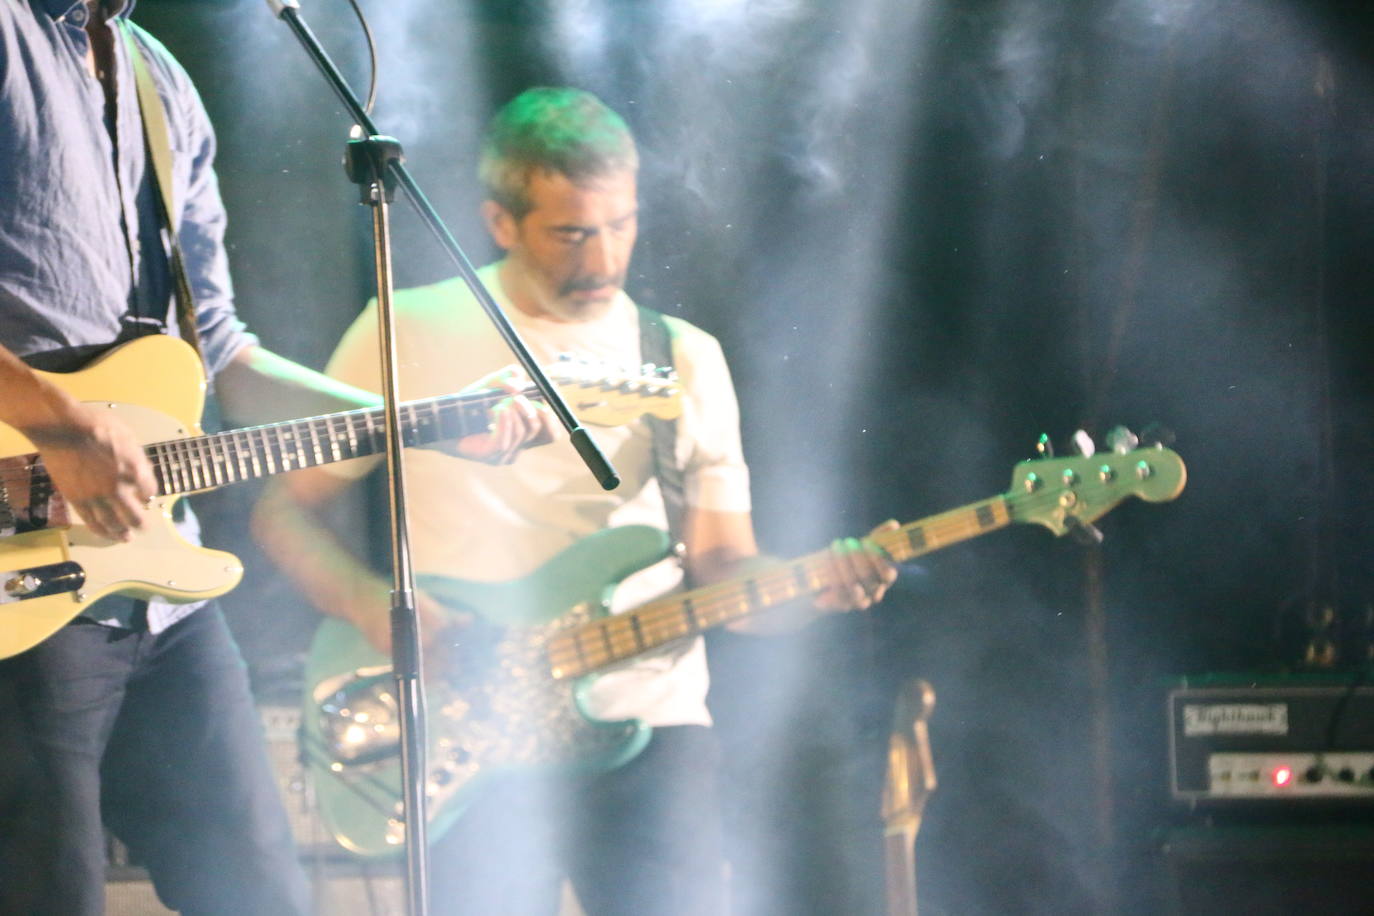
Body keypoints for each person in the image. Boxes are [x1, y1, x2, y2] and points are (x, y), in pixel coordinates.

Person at [252, 86, 898, 915]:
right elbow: (283, 509)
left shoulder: (683, 357)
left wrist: (813, 588)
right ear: (500, 222)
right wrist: (376, 609)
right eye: (570, 233)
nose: (602, 260)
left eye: (620, 225)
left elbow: (724, 569)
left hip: (648, 729)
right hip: (467, 730)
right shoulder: (406, 328)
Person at [0, 2, 388, 913]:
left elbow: (215, 344)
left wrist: (398, 422)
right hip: (24, 581)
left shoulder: (157, 75)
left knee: (258, 890)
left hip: (164, 601)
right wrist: (62, 422)